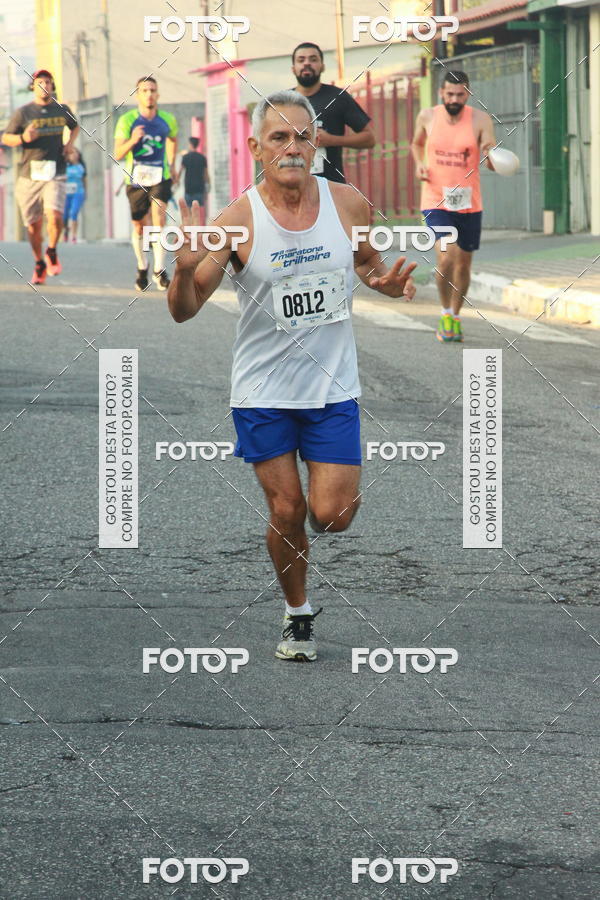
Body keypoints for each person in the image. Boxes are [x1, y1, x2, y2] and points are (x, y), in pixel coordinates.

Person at [167, 90, 416, 662]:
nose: (293, 147)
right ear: (256, 148)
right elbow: (184, 308)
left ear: (316, 143)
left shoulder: (350, 204)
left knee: (332, 515)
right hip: (263, 391)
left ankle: (307, 568)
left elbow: (367, 262)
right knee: (286, 510)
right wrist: (180, 272)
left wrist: (381, 280)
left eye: (303, 136)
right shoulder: (236, 220)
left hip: (332, 388)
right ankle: (298, 612)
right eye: (279, 137)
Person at [411, 70, 496, 343]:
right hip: (436, 199)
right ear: (441, 93)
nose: (454, 99)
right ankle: (444, 310)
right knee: (446, 256)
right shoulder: (428, 116)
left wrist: (491, 156)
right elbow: (416, 143)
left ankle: (455, 316)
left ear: (468, 94)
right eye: (449, 94)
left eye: (460, 94)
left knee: (463, 265)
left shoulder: (480, 120)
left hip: (469, 203)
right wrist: (419, 164)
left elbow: (491, 152)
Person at [1, 69, 78, 284]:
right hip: (30, 175)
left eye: (48, 81)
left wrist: (70, 144)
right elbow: (7, 138)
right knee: (33, 226)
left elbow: (75, 126)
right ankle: (39, 262)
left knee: (54, 216)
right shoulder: (23, 113)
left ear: (53, 86)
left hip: (56, 171)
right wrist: (23, 138)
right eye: (40, 82)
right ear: (33, 87)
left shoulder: (62, 110)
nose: (44, 85)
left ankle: (51, 250)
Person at [114, 76, 179, 292]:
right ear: (137, 95)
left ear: (158, 94)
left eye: (152, 90)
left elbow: (172, 139)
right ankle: (142, 266)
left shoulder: (167, 119)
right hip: (136, 179)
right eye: (144, 90)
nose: (149, 94)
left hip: (161, 176)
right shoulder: (127, 120)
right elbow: (118, 153)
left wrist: (172, 164)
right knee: (140, 226)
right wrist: (133, 140)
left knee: (159, 219)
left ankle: (159, 269)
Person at [291, 42, 375, 183]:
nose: (307, 64)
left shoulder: (338, 97)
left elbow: (369, 138)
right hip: (292, 184)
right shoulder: (283, 101)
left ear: (322, 66)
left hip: (330, 184)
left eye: (313, 59)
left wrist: (331, 140)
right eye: (301, 60)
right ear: (293, 68)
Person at [63, 147, 86, 243]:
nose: (74, 155)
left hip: (78, 192)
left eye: (76, 153)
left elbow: (85, 179)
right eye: (72, 153)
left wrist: (85, 192)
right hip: (66, 193)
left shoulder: (81, 166)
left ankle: (74, 236)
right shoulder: (65, 166)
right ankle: (66, 230)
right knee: (64, 216)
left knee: (74, 213)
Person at [181, 137, 210, 212]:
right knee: (198, 211)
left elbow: (180, 172)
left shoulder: (185, 157)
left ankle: (191, 223)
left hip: (188, 188)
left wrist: (175, 181)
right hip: (199, 188)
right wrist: (208, 185)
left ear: (190, 144)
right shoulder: (202, 158)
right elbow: (206, 174)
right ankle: (198, 224)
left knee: (189, 211)